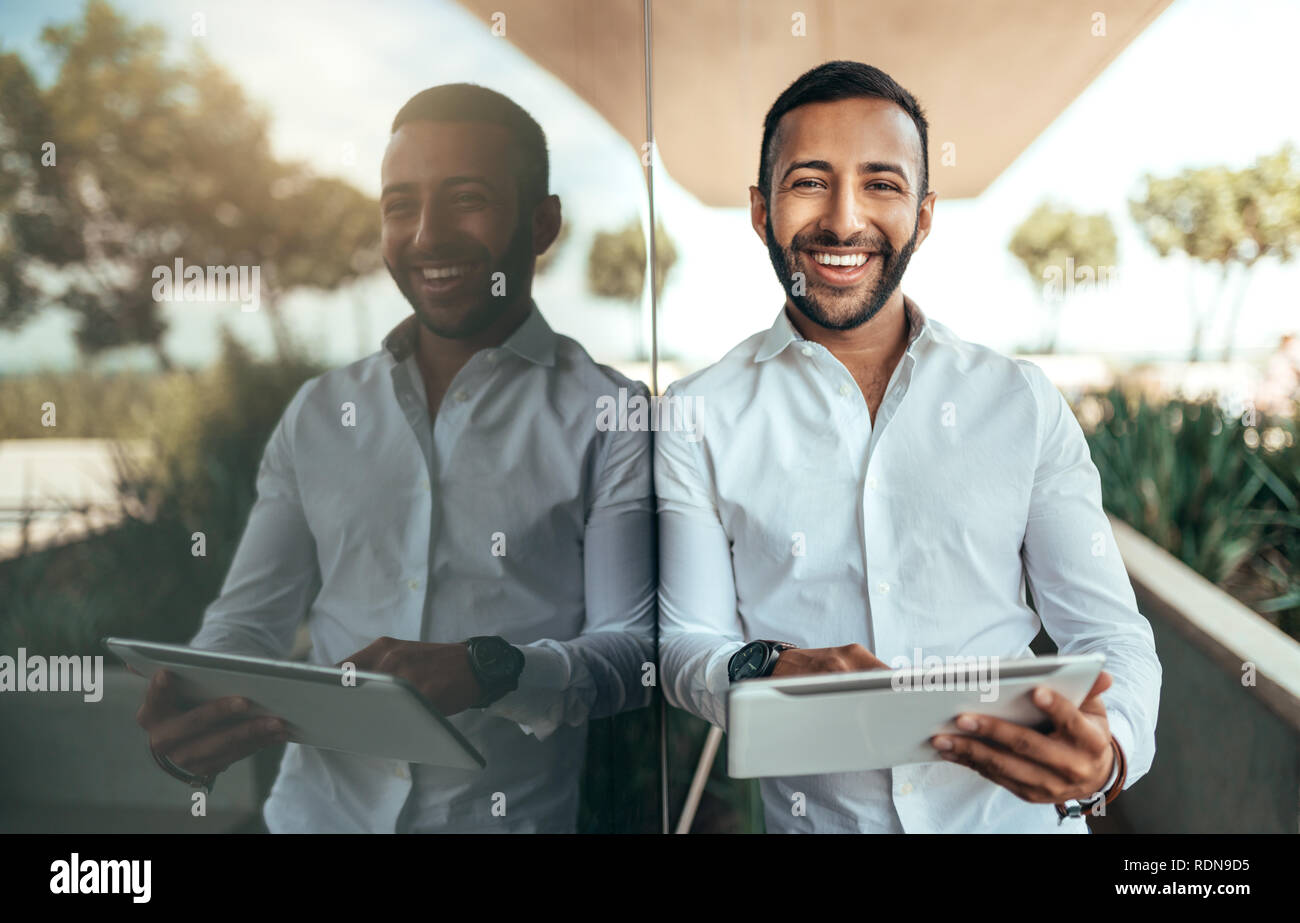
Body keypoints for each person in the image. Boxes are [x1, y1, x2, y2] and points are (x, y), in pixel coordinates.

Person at [656, 61, 1161, 833]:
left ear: (924, 217)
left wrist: (1110, 751)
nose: (843, 219)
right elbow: (687, 643)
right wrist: (766, 664)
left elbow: (1109, 634)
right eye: (809, 181)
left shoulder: (1019, 402)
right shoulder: (695, 415)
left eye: (882, 185)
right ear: (761, 211)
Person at [136, 84, 655, 833]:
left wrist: (491, 667)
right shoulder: (318, 412)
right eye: (399, 205)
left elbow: (633, 652)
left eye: (466, 198)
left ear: (543, 224)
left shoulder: (611, 414)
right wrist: (195, 705)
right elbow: (247, 623)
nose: (425, 236)